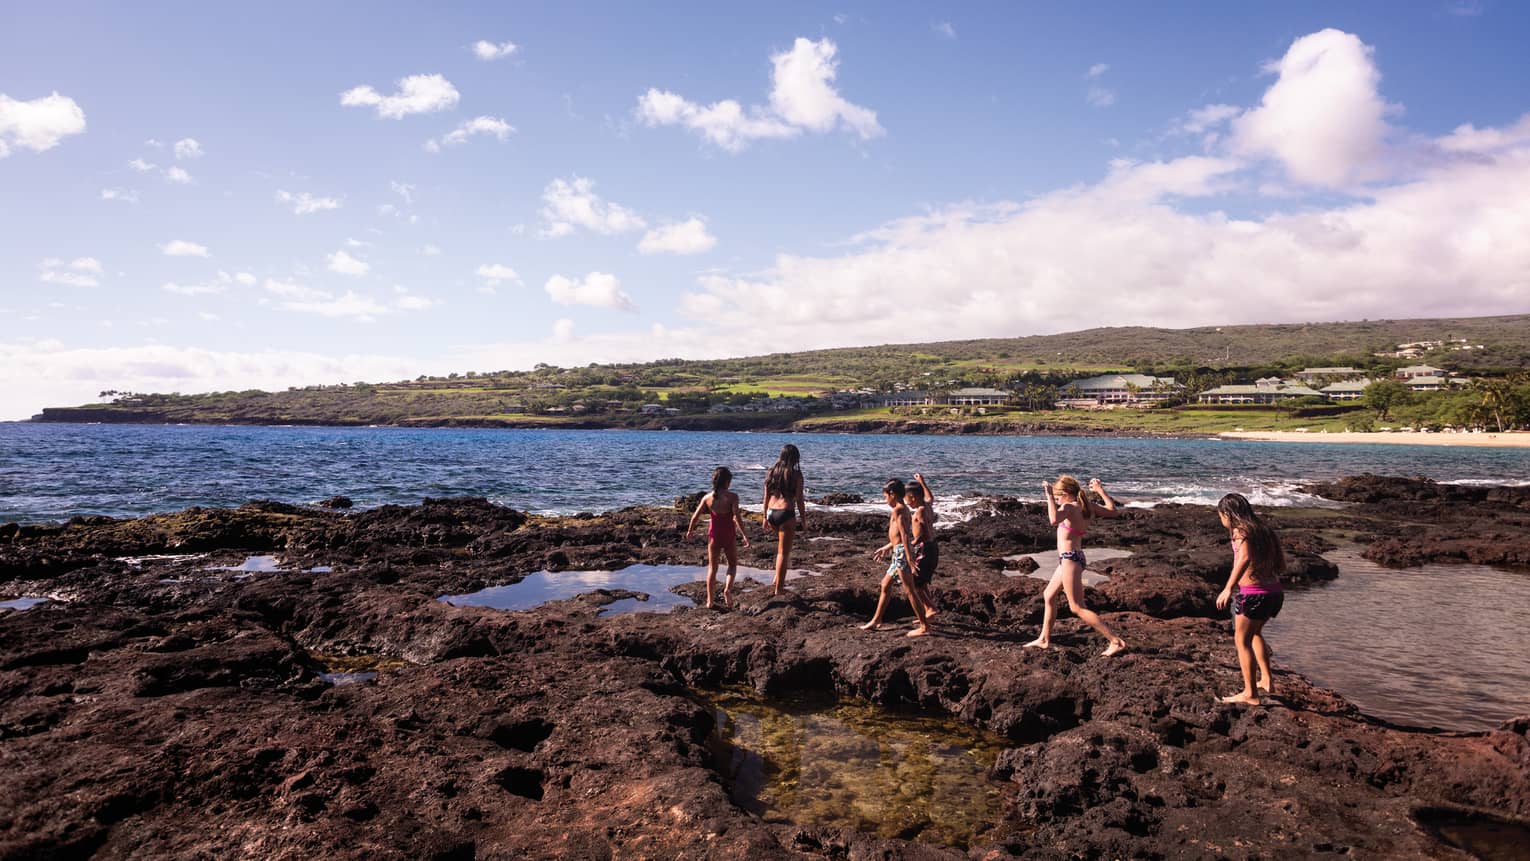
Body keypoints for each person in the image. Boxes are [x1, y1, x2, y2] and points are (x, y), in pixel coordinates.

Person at [1024, 475, 1128, 656]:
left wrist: (1048, 496)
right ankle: (1044, 639)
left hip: (1070, 559)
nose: (1056, 499)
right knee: (1049, 595)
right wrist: (1100, 491)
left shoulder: (1069, 507)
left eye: (1057, 496)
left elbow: (1053, 520)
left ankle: (1115, 641)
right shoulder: (1086, 506)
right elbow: (1113, 510)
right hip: (1073, 558)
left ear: (1065, 494)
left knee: (1077, 607)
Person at [1213, 492, 1286, 705]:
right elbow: (1278, 557)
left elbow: (1244, 558)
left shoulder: (1240, 531)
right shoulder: (1263, 530)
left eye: (1221, 516)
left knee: (1241, 640)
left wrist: (1228, 588)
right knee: (1255, 634)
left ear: (1228, 513)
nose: (1221, 520)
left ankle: (1250, 693)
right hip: (1274, 592)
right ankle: (1267, 680)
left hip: (1253, 595)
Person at [861, 478, 932, 637]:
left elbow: (905, 535)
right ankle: (877, 620)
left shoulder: (898, 510)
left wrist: (909, 558)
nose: (885, 499)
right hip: (897, 552)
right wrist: (887, 547)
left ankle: (924, 626)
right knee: (885, 584)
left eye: (885, 496)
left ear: (892, 494)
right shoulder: (903, 508)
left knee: (910, 591)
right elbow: (898, 536)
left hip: (901, 553)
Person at [684, 467, 751, 609]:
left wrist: (690, 530)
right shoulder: (733, 497)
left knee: (712, 568)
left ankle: (710, 601)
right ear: (727, 482)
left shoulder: (707, 498)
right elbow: (737, 518)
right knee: (732, 565)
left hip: (714, 535)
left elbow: (695, 516)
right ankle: (727, 589)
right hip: (729, 535)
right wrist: (744, 535)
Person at [761, 444, 806, 595]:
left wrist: (764, 517)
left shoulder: (771, 472)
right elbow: (799, 500)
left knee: (781, 549)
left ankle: (777, 580)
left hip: (771, 512)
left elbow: (766, 496)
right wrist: (804, 519)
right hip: (786, 513)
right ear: (795, 458)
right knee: (783, 553)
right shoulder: (796, 474)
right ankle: (779, 589)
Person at [905, 472, 939, 618]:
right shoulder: (927, 505)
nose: (905, 501)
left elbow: (923, 532)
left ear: (912, 497)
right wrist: (922, 482)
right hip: (933, 547)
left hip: (924, 548)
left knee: (914, 582)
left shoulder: (919, 512)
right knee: (923, 582)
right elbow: (931, 497)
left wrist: (910, 543)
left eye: (906, 498)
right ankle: (928, 610)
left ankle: (931, 608)